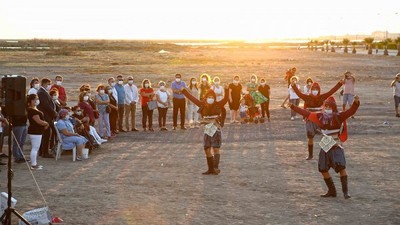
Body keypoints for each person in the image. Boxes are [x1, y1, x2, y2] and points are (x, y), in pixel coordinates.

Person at [289, 95, 360, 199]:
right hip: (326, 142)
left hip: (336, 142)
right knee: (322, 168)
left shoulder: (339, 116)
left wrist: (356, 102)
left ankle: (346, 192)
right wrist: (293, 107)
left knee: (341, 167)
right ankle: (332, 191)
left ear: (333, 108)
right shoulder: (319, 116)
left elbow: (351, 111)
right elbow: (306, 113)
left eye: (329, 107)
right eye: (325, 107)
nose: (327, 109)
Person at [291, 78, 345, 160]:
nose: (315, 91)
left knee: (326, 136)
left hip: (320, 119)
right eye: (313, 89)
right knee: (310, 137)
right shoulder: (307, 98)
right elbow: (299, 94)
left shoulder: (321, 97)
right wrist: (293, 85)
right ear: (311, 89)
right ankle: (310, 155)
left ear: (319, 90)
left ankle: (329, 154)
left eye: (316, 89)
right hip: (310, 120)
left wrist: (339, 84)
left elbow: (331, 91)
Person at [181, 86, 229, 175]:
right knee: (207, 149)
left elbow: (226, 99)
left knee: (216, 148)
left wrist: (226, 90)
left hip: (216, 129)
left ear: (214, 98)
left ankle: (215, 167)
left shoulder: (218, 105)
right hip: (207, 130)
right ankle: (210, 169)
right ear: (206, 97)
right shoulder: (202, 105)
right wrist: (184, 91)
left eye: (212, 97)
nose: (210, 99)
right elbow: (192, 98)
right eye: (209, 97)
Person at [27, 94, 48, 170]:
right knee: (35, 148)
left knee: (35, 148)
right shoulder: (32, 111)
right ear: (32, 100)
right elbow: (38, 121)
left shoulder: (34, 109)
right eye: (35, 99)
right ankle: (33, 165)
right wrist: (46, 123)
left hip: (37, 131)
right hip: (35, 131)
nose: (37, 100)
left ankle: (34, 163)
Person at [37, 77, 56, 158]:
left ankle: (43, 151)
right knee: (46, 134)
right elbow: (46, 105)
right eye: (48, 84)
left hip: (48, 116)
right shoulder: (41, 92)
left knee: (46, 134)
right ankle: (45, 152)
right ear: (44, 84)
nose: (49, 86)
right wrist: (53, 113)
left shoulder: (45, 92)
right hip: (45, 116)